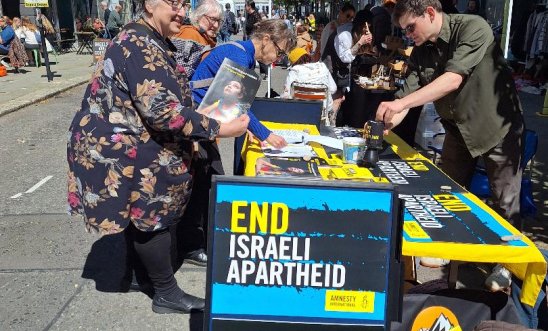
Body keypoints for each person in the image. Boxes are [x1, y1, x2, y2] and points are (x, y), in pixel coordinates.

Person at [66, 0, 249, 314]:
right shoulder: (138, 45)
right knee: (153, 217)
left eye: (183, 3)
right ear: (150, 4)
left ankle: (139, 276)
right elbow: (165, 113)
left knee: (139, 214)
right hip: (124, 150)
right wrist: (222, 127)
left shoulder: (148, 38)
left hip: (127, 144)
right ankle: (166, 293)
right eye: (173, 3)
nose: (181, 11)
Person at [375, 0, 524, 286]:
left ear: (430, 13)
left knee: (505, 200)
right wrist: (387, 120)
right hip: (457, 131)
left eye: (410, 27)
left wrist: (402, 103)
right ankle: (452, 247)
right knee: (448, 194)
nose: (407, 35)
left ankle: (506, 265)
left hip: (497, 129)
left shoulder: (473, 27)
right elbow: (408, 94)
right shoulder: (421, 52)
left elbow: (452, 80)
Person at [179, 19, 295, 266]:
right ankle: (193, 244)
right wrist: (266, 134)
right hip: (199, 123)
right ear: (265, 39)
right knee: (208, 185)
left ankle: (194, 242)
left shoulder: (240, 55)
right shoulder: (238, 55)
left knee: (205, 183)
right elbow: (237, 104)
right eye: (279, 50)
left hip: (203, 121)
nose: (277, 58)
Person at [282, 47, 338, 125]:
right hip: (322, 112)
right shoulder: (322, 66)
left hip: (300, 113)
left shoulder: (295, 71)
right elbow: (333, 89)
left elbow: (286, 95)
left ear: (294, 62)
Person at [171, 0, 221, 78]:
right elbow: (179, 73)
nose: (216, 25)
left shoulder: (204, 36)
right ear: (198, 16)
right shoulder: (189, 34)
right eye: (212, 19)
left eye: (218, 20)